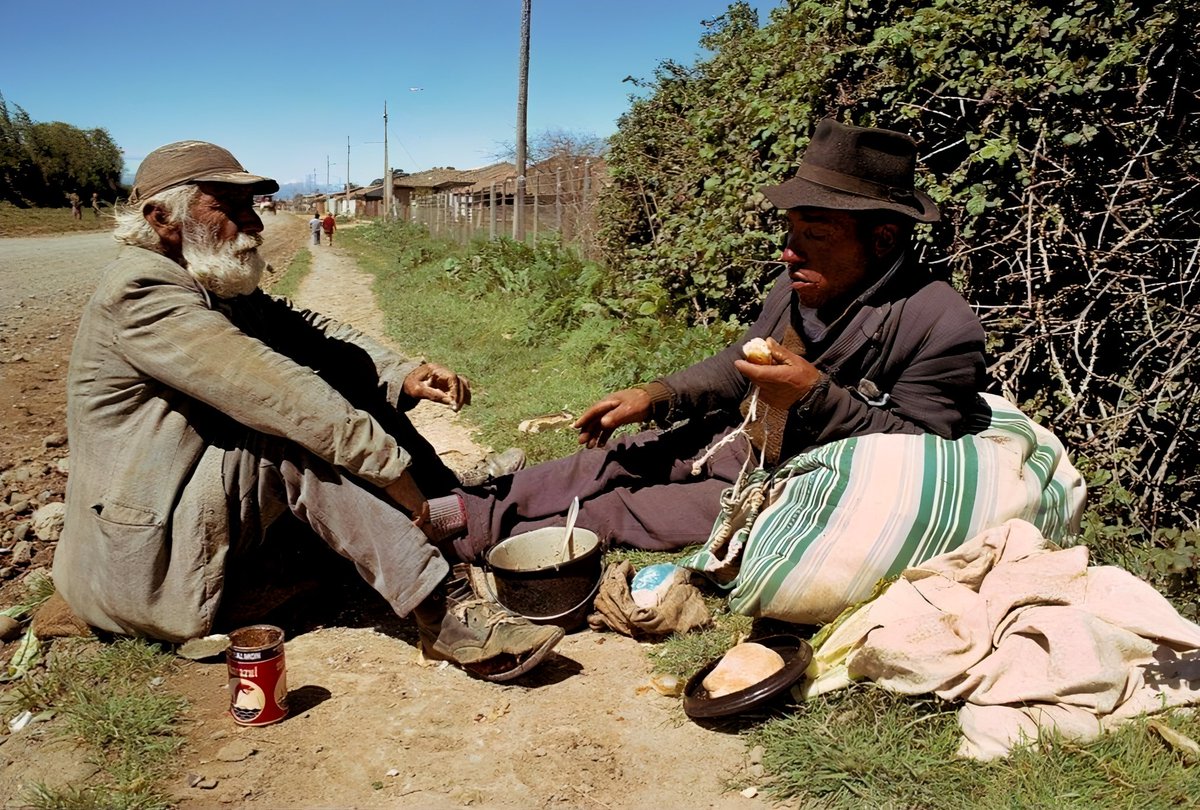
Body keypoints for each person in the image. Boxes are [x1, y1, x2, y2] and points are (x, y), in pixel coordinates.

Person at [54, 140, 561, 682]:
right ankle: (445, 612)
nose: (253, 223)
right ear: (163, 219)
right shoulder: (142, 290)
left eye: (253, 206)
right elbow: (281, 394)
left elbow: (312, 336)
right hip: (149, 561)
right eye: (229, 207)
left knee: (349, 390)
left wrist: (399, 373)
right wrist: (390, 472)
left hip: (207, 519)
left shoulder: (210, 279)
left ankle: (446, 506)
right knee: (298, 436)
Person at [424, 118, 988, 560]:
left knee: (625, 510)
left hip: (796, 486)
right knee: (614, 460)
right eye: (790, 232)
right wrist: (658, 394)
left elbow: (921, 453)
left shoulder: (939, 324)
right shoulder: (797, 284)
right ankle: (452, 513)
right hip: (743, 438)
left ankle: (462, 548)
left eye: (814, 234)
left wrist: (814, 393)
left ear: (885, 237)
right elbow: (737, 363)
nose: (790, 252)